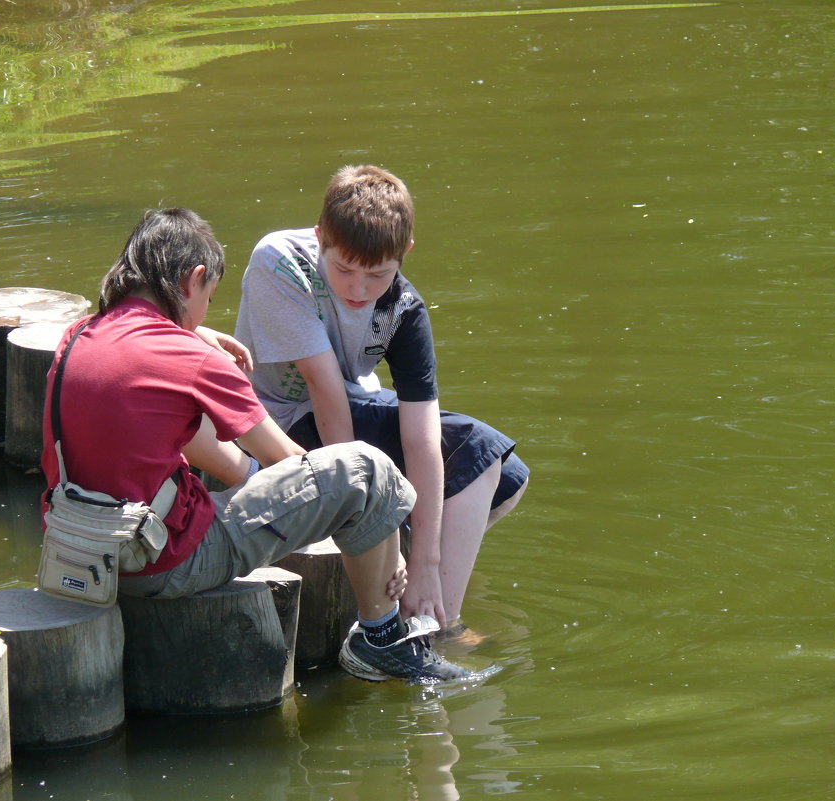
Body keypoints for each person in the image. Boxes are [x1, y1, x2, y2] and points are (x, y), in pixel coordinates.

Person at [40, 207, 466, 683]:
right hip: (165, 563)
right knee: (368, 470)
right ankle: (380, 640)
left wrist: (194, 329)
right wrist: (385, 528)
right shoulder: (192, 358)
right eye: (209, 296)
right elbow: (292, 463)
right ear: (194, 279)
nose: (205, 312)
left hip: (77, 548)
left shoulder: (76, 336)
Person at [234, 165, 530, 639]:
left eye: (377, 275)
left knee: (503, 475)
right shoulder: (281, 261)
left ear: (404, 254)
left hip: (349, 409)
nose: (358, 290)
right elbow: (324, 389)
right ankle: (438, 627)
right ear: (320, 239)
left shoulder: (403, 308)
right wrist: (362, 508)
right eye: (344, 270)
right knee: (480, 449)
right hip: (285, 417)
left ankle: (427, 598)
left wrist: (428, 561)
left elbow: (421, 434)